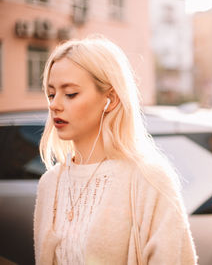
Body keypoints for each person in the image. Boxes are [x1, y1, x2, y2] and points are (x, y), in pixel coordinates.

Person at [34, 35, 197, 265]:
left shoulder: (149, 179)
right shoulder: (49, 183)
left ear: (110, 99)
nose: (54, 104)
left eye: (70, 93)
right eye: (51, 94)